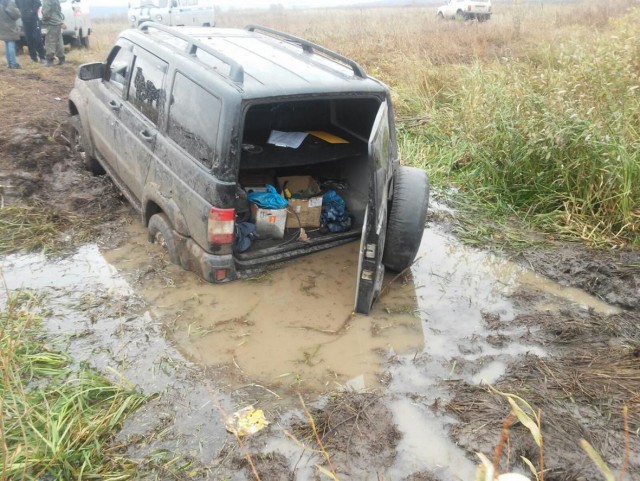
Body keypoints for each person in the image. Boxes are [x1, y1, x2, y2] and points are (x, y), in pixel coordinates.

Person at [41, 0, 64, 66]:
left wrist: (44, 20)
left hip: (52, 22)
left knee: (50, 41)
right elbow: (59, 9)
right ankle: (61, 58)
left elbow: (46, 12)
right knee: (59, 41)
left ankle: (49, 60)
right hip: (58, 21)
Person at [0, 0, 22, 69]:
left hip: (2, 26)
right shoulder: (10, 3)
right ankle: (13, 63)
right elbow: (16, 14)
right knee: (11, 44)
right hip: (10, 26)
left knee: (7, 44)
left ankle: (9, 63)